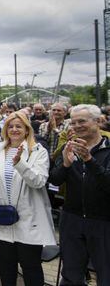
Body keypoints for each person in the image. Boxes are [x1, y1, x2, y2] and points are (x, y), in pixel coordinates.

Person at [0, 111, 55, 286]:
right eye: (10, 126)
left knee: (31, 267)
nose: (14, 129)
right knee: (6, 265)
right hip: (2, 218)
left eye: (18, 126)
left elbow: (39, 181)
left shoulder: (38, 151)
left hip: (29, 219)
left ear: (27, 129)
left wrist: (20, 163)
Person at [49, 104, 110, 285]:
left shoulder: (108, 149)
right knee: (71, 274)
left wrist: (89, 160)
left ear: (98, 121)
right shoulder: (70, 147)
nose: (76, 126)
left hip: (103, 221)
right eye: (73, 122)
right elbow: (54, 180)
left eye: (81, 121)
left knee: (105, 274)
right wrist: (66, 164)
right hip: (72, 219)